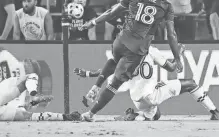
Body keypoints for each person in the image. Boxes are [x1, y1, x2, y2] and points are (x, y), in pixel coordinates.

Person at [79, 0, 183, 122]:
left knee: (114, 60)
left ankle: (96, 86)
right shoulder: (166, 6)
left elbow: (111, 12)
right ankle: (90, 114)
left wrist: (93, 22)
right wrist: (178, 58)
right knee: (115, 84)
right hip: (137, 48)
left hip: (121, 40)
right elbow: (171, 34)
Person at [74, 45, 219, 121]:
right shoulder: (151, 51)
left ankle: (137, 116)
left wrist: (89, 74)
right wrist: (178, 53)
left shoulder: (125, 54)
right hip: (152, 95)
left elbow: (109, 69)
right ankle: (215, 112)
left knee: (155, 115)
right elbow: (172, 67)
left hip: (137, 99)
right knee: (191, 84)